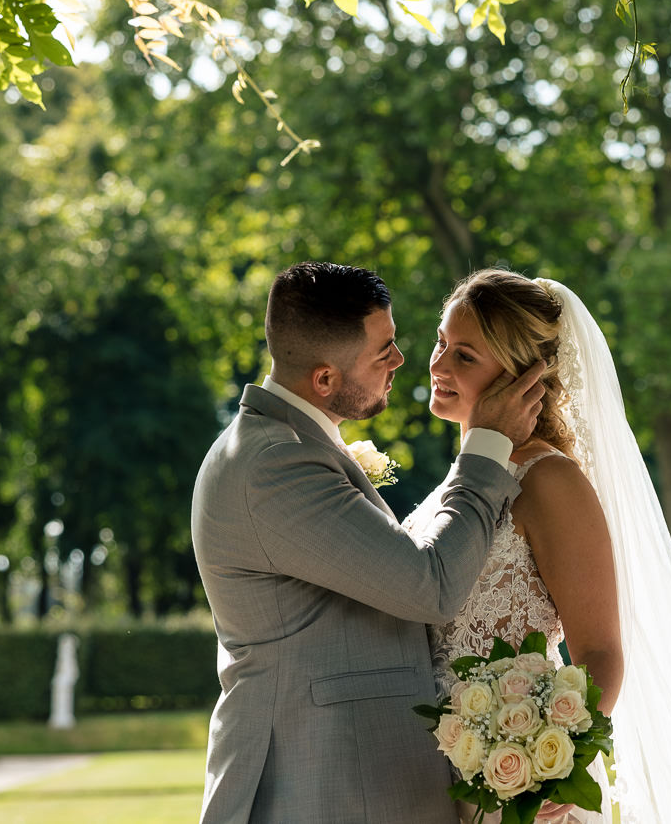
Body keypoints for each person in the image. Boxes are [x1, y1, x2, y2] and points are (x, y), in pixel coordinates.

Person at [191, 261, 546, 824]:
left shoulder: (284, 445)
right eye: (383, 352)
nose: (404, 362)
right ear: (325, 380)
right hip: (322, 784)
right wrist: (487, 449)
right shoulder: (274, 465)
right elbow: (429, 586)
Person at [403, 269, 671, 824]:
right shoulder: (462, 480)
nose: (439, 365)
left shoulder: (549, 482)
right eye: (441, 343)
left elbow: (600, 651)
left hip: (515, 796)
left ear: (524, 377)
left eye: (466, 357)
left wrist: (549, 765)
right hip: (427, 784)